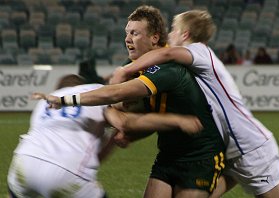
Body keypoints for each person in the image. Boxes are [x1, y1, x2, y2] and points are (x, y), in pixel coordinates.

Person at [33, 5, 226, 198]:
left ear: (154, 38)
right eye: (127, 33)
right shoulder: (133, 66)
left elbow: (115, 94)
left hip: (202, 155)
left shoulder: (169, 68)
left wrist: (66, 100)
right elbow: (145, 117)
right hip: (168, 153)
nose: (127, 39)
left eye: (135, 33)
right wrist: (128, 131)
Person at [109, 9, 279, 198]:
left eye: (173, 30)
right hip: (225, 149)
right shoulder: (187, 65)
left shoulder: (199, 51)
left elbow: (166, 54)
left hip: (252, 149)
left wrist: (125, 70)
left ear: (185, 34)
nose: (169, 35)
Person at [8, 74, 203, 198]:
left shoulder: (45, 103)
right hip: (65, 173)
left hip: (23, 164)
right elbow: (125, 123)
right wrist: (177, 120)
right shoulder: (94, 93)